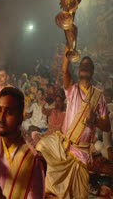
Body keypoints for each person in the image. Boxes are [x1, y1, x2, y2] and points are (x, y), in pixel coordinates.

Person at [36, 52, 111, 198]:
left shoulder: (98, 96)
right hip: (63, 147)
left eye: (88, 65)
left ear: (92, 70)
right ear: (78, 70)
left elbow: (107, 126)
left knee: (79, 194)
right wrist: (69, 45)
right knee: (40, 149)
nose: (84, 66)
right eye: (82, 64)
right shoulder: (72, 89)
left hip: (81, 154)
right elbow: (64, 70)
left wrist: (95, 119)